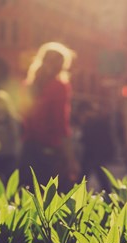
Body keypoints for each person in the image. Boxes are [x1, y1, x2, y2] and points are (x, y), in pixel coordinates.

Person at [19, 42, 80, 191]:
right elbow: (61, 125)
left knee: (29, 194)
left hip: (28, 148)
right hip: (50, 150)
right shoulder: (59, 86)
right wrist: (71, 159)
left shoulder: (28, 85)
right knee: (51, 198)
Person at [78, 101, 114, 191]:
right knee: (99, 176)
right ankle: (108, 195)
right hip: (97, 154)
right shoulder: (100, 120)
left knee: (84, 177)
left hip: (92, 154)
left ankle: (78, 195)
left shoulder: (92, 122)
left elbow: (86, 138)